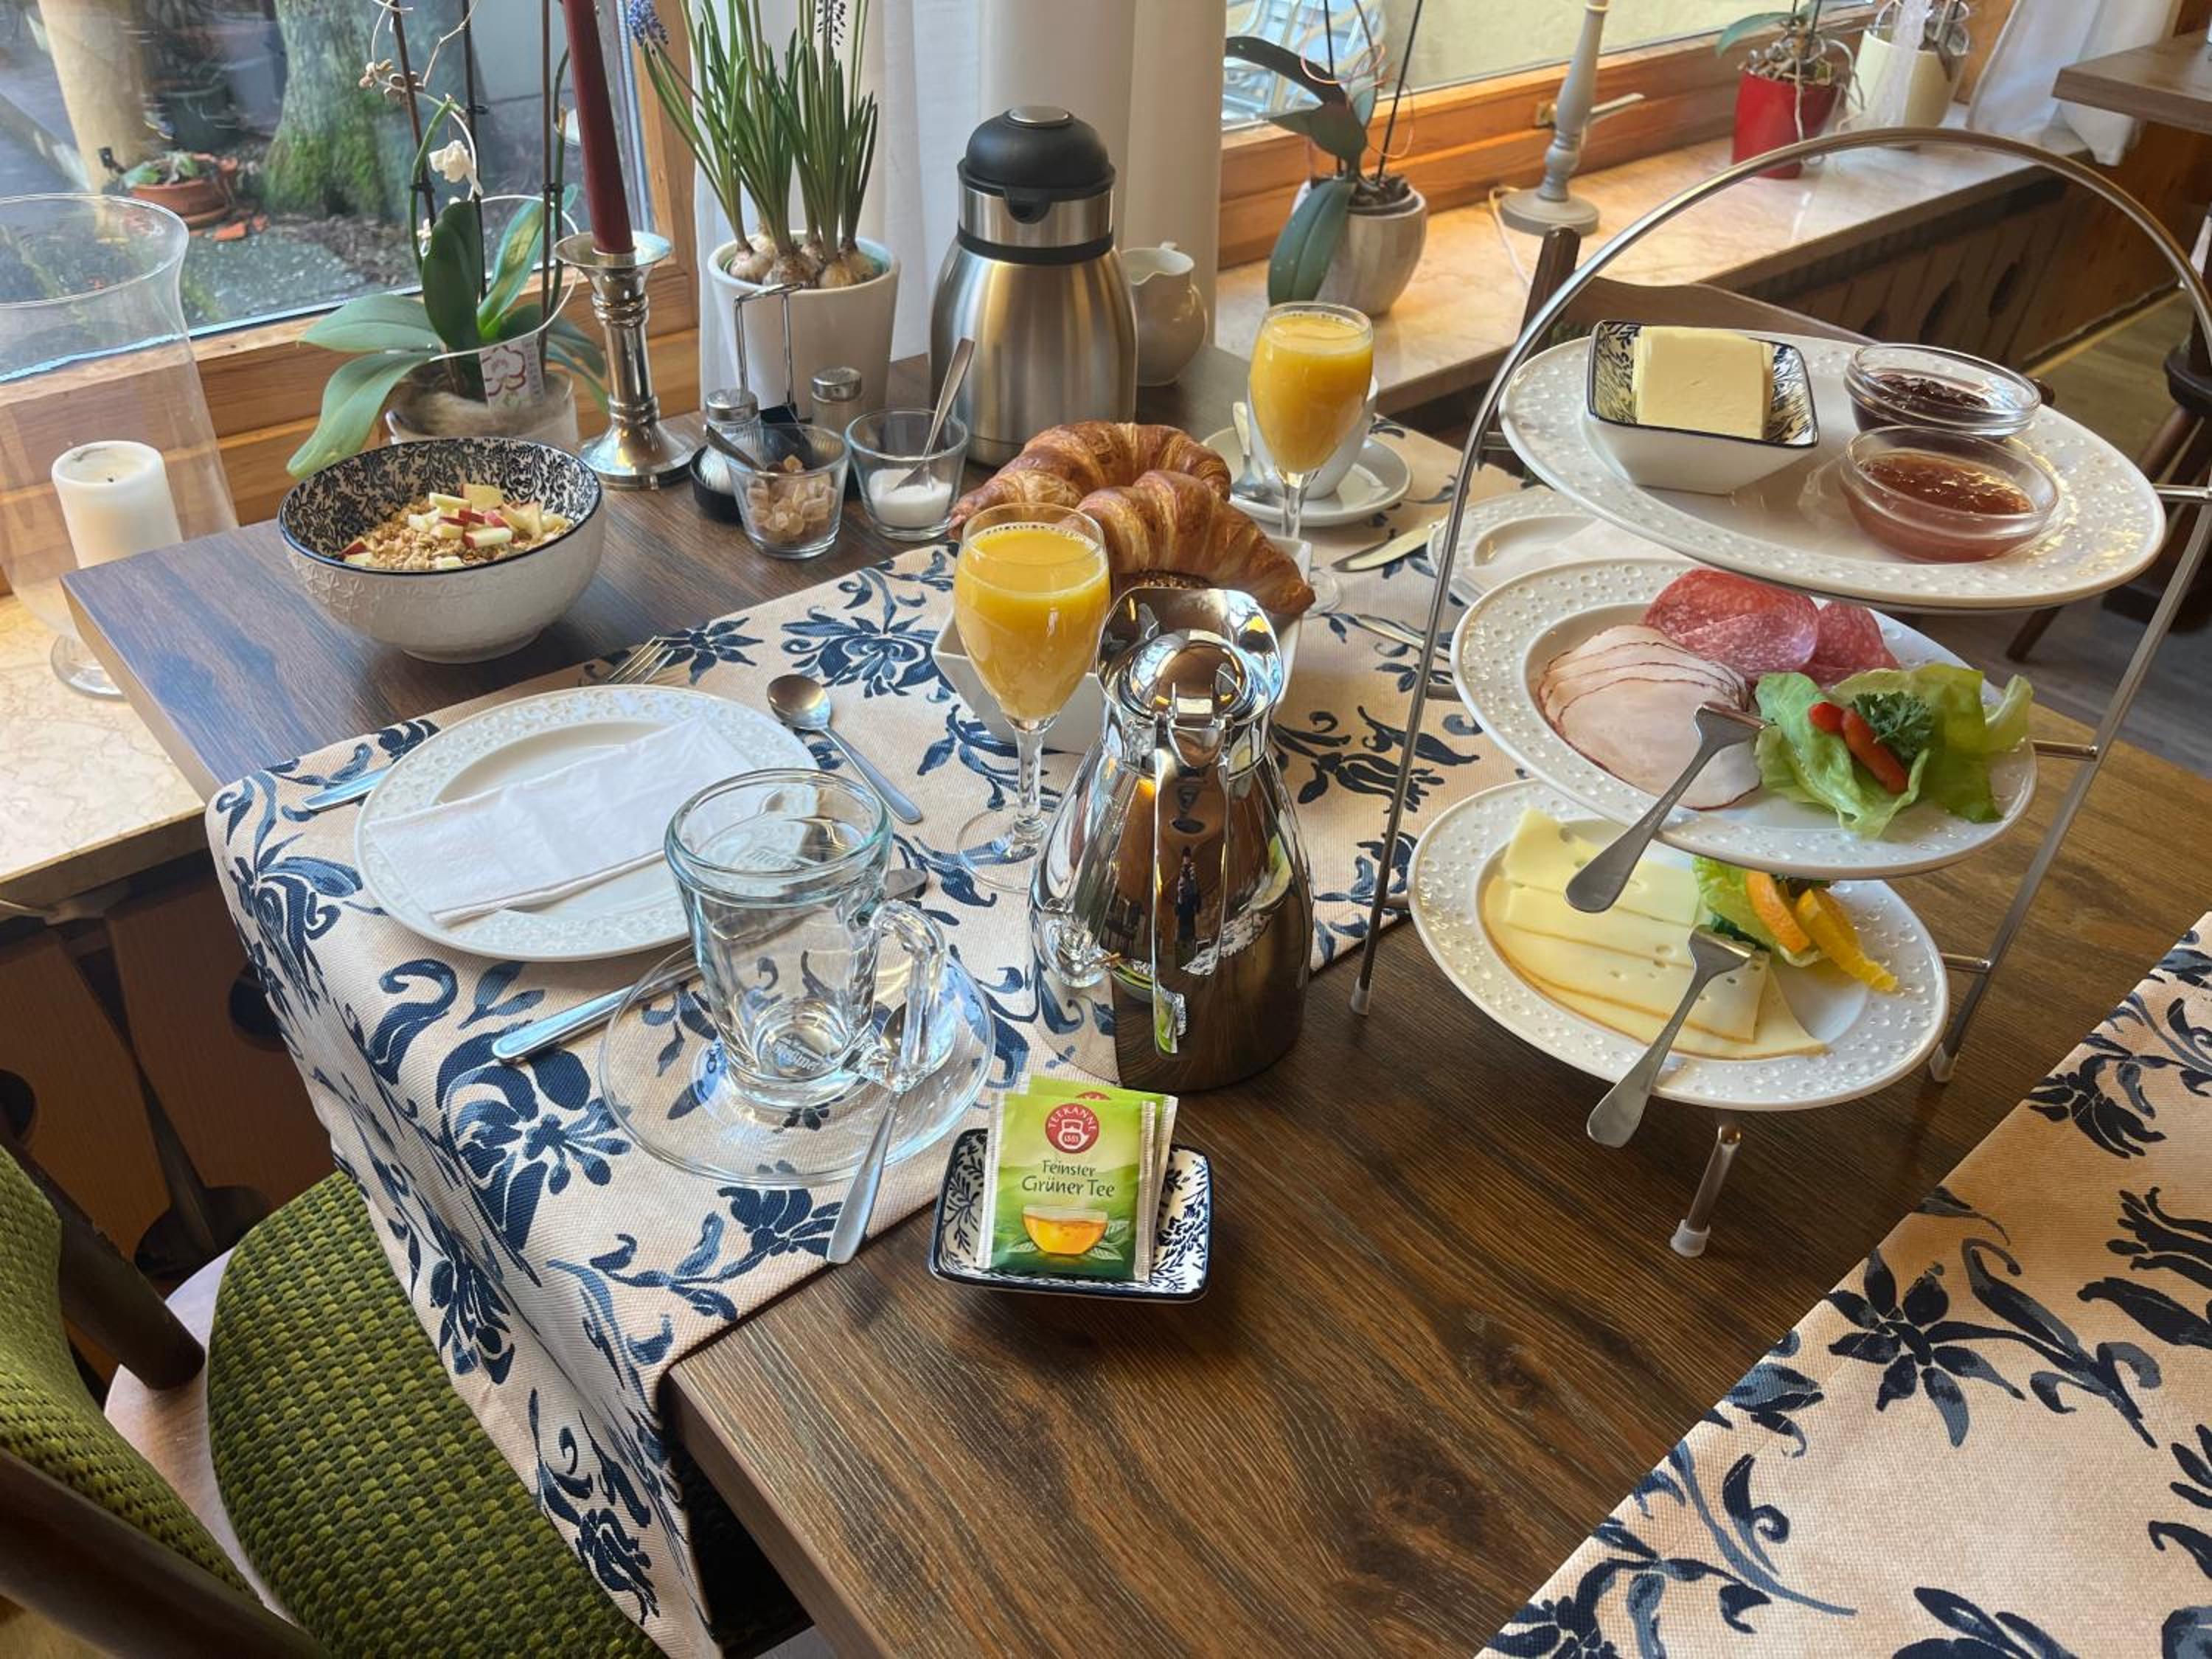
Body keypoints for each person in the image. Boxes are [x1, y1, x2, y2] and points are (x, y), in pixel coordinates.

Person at [1174, 846, 1201, 956]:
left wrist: (1195, 886)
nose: (1186, 872)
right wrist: (1180, 895)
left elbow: (1198, 907)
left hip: (1191, 923)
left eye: (1188, 867)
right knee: (1181, 953)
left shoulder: (1194, 881)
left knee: (1190, 952)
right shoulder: (1179, 882)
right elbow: (1176, 911)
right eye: (1184, 867)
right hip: (1182, 924)